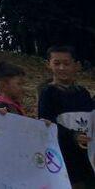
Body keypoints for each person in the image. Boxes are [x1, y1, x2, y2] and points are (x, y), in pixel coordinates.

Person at [37, 46, 94, 188]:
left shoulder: (83, 93)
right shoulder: (48, 93)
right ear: (48, 64)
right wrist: (72, 136)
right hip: (64, 161)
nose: (62, 68)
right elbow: (46, 126)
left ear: (76, 65)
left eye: (66, 63)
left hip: (88, 161)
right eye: (57, 63)